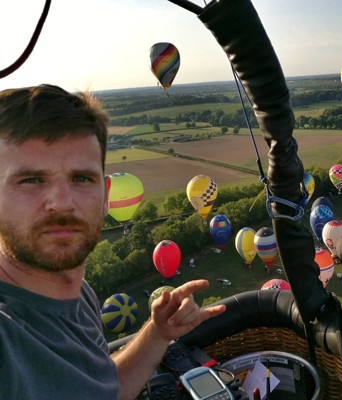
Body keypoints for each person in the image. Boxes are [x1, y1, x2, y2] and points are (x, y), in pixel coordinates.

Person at [0, 84, 226, 400]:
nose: (62, 203)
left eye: (81, 178)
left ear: (106, 195)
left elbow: (106, 389)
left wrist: (158, 333)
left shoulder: (80, 295)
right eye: (31, 180)